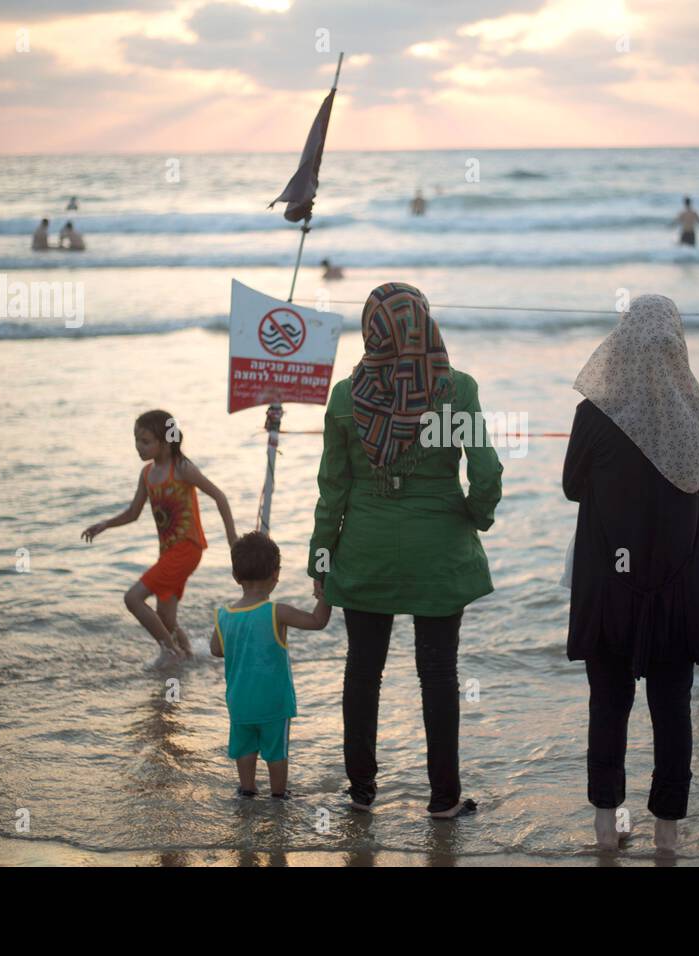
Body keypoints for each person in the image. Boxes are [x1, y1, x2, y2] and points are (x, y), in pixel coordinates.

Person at [308, 281, 502, 818]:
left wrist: (320, 560)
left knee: (362, 669)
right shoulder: (456, 391)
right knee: (438, 671)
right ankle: (443, 798)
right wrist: (471, 518)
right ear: (423, 323)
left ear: (372, 330)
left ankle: (362, 792)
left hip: (365, 551)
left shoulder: (348, 398)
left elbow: (333, 489)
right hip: (439, 554)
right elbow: (485, 474)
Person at [563, 293, 699, 857]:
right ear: (677, 347)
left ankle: (606, 832)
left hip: (610, 583)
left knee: (607, 704)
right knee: (672, 710)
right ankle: (668, 838)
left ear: (623, 346)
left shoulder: (595, 415)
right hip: (678, 586)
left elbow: (571, 487)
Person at [81, 409, 238, 662]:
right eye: (136, 440)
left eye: (145, 441)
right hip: (168, 552)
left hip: (188, 548)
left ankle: (170, 652)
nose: (138, 447)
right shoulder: (147, 474)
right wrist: (105, 524)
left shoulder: (183, 468)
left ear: (164, 442)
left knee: (132, 598)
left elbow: (219, 496)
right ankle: (189, 657)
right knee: (166, 618)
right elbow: (133, 513)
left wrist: (232, 539)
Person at [211, 531, 330, 799]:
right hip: (274, 703)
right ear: (276, 574)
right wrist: (325, 592)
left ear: (235, 576)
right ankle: (279, 795)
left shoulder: (224, 615)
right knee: (276, 751)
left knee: (244, 748)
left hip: (239, 702)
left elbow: (216, 650)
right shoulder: (277, 611)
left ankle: (247, 790)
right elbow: (317, 621)